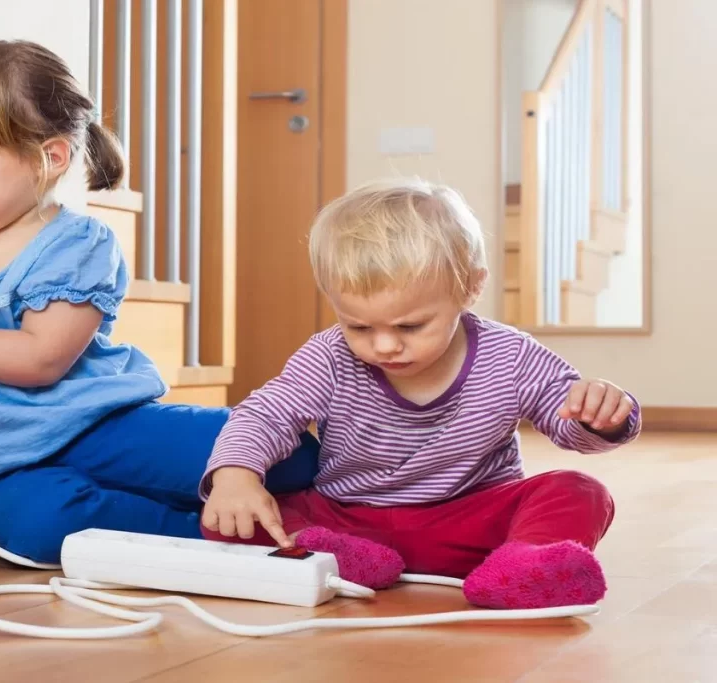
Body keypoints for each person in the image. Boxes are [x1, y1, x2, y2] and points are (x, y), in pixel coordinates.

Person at [0, 40, 318, 565]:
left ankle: (276, 505)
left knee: (296, 456)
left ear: (49, 158)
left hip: (107, 429)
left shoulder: (78, 244)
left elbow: (40, 359)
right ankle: (234, 537)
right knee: (25, 527)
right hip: (11, 466)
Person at [199, 178, 641, 609]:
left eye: (410, 326)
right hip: (350, 519)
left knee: (580, 491)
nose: (385, 345)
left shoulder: (511, 355)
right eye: (359, 326)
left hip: (469, 522)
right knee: (236, 515)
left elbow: (567, 425)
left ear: (470, 287)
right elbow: (266, 414)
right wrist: (236, 474)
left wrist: (600, 416)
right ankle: (328, 555)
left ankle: (524, 567)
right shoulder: (329, 355)